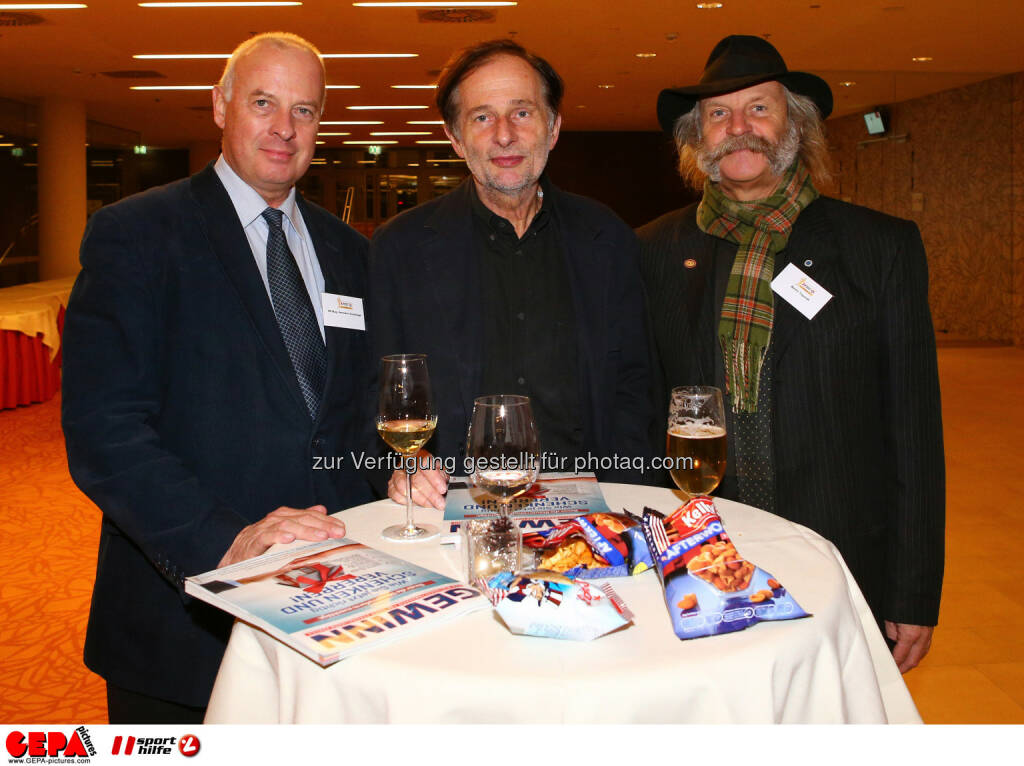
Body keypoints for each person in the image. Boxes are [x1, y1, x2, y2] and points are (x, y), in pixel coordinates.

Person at [61, 32, 374, 722]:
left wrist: (400, 470)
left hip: (339, 607)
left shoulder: (350, 252)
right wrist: (225, 542)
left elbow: (353, 411)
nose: (284, 128)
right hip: (188, 622)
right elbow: (103, 430)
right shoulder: (137, 234)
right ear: (220, 106)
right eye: (264, 102)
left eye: (305, 110)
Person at [637, 35, 944, 673]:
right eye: (719, 114)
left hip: (839, 554)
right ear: (697, 137)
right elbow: (639, 398)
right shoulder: (654, 250)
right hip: (701, 558)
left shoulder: (878, 248)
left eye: (759, 109)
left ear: (795, 127)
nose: (738, 128)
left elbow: (914, 431)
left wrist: (913, 590)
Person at [369, 39, 654, 508]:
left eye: (522, 113)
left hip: (591, 510)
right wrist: (403, 463)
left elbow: (633, 387)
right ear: (456, 137)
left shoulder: (608, 239)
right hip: (450, 510)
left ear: (554, 127)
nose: (504, 135)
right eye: (482, 117)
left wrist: (629, 498)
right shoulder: (400, 249)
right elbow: (376, 388)